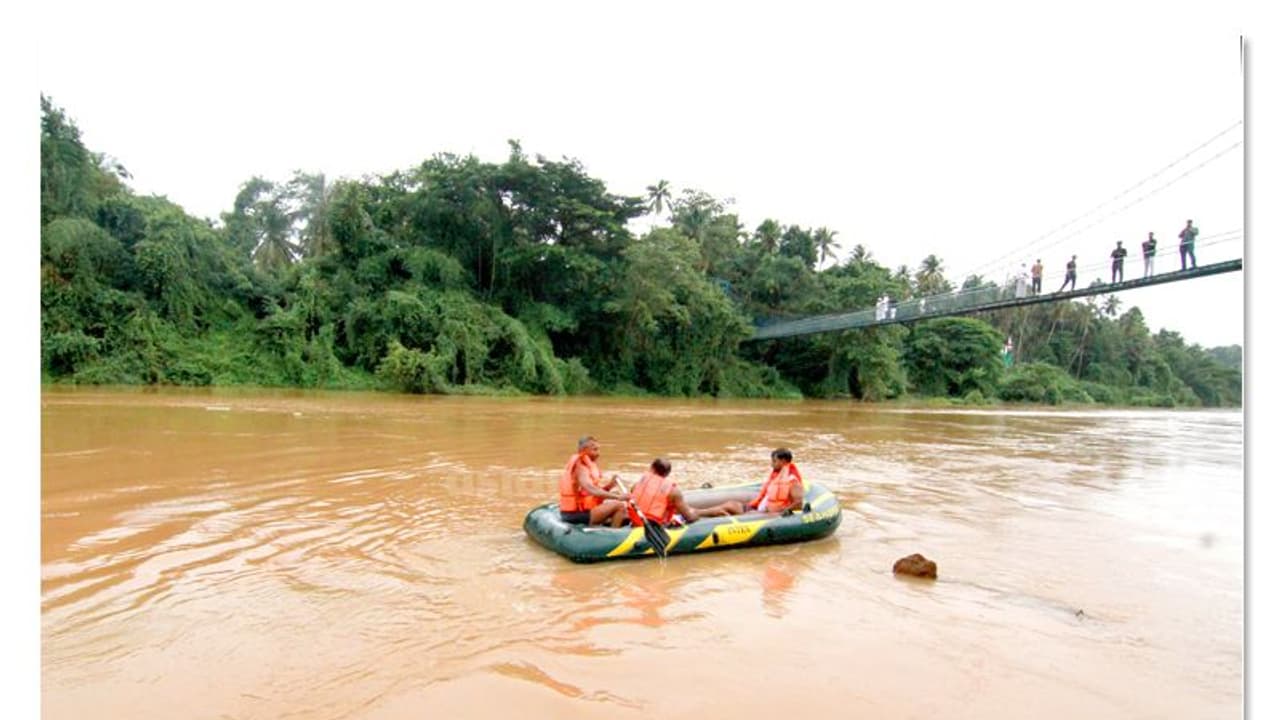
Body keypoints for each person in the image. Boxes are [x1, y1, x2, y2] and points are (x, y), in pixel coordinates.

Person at [628, 458, 742, 527]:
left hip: (637, 522)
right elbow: (690, 518)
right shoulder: (673, 492)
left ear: (651, 468)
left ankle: (716, 510)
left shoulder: (637, 484)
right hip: (657, 525)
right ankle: (714, 511)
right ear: (667, 474)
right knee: (691, 513)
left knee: (681, 511)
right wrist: (704, 513)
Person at [558, 435, 629, 527]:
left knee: (617, 500)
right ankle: (612, 536)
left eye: (598, 450)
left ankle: (604, 525)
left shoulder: (587, 466)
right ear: (584, 450)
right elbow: (590, 489)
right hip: (576, 513)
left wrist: (610, 486)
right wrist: (618, 497)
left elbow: (592, 493)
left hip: (584, 510)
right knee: (619, 505)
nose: (598, 453)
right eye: (595, 450)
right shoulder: (580, 467)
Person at [745, 448, 805, 514]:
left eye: (774, 461)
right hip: (765, 510)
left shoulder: (793, 480)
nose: (772, 464)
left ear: (783, 461)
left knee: (748, 513)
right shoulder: (776, 478)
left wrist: (784, 511)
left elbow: (799, 504)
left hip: (774, 515)